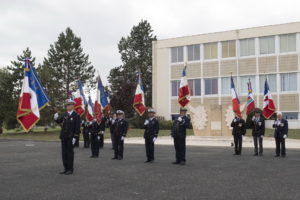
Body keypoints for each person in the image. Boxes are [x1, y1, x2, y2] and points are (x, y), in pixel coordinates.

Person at [54, 99, 81, 175]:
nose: (67, 106)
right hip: (64, 136)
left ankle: (70, 169)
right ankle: (65, 168)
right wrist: (56, 117)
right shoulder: (64, 114)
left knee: (69, 153)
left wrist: (75, 137)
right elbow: (59, 121)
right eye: (66, 105)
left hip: (71, 137)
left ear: (72, 106)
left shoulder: (76, 115)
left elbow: (77, 128)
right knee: (64, 153)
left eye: (68, 105)